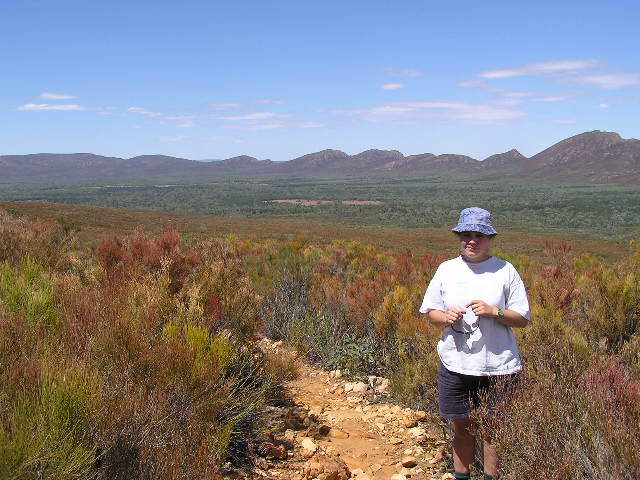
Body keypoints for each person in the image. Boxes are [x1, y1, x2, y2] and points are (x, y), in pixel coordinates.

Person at [419, 207, 530, 480]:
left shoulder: (505, 270)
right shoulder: (446, 269)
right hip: (456, 364)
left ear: (489, 239)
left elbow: (522, 318)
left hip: (499, 367)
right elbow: (430, 312)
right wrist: (445, 317)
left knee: (494, 429)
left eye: (479, 235)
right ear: (459, 237)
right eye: (466, 234)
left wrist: (495, 312)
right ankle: (462, 476)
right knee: (462, 428)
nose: (472, 240)